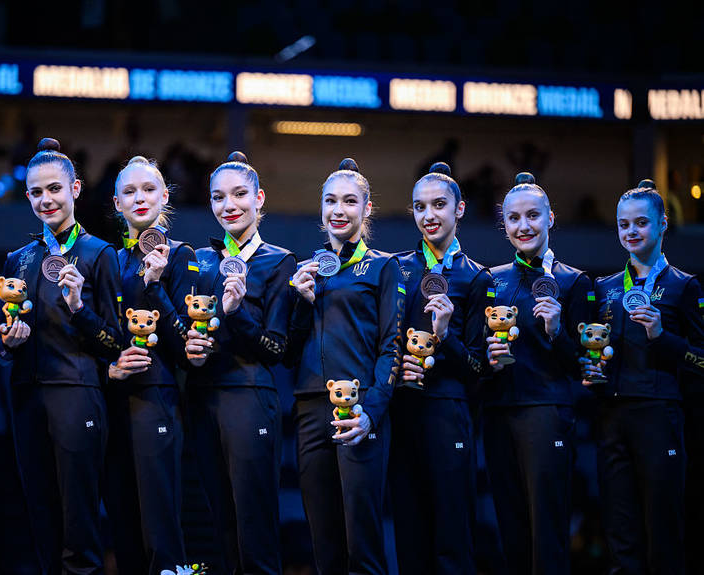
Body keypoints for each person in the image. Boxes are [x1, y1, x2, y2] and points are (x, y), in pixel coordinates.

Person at [0, 138, 123, 574]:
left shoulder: (99, 254)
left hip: (78, 394)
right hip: (27, 398)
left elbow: (115, 343)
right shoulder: (19, 258)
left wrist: (79, 307)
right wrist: (8, 343)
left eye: (54, 189)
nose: (45, 199)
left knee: (78, 524)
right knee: (41, 522)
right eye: (36, 191)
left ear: (76, 189)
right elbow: (2, 342)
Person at [288, 158, 403, 575]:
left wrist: (371, 413)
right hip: (309, 408)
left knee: (362, 541)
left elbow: (393, 347)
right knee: (324, 541)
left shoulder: (384, 266)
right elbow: (290, 347)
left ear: (367, 208)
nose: (339, 210)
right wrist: (298, 302)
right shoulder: (308, 270)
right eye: (330, 201)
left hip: (358, 411)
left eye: (350, 201)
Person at [584, 179, 704, 574]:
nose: (631, 232)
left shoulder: (684, 287)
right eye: (623, 225)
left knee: (663, 535)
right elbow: (593, 352)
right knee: (620, 535)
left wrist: (661, 337)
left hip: (660, 418)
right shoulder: (603, 288)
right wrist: (592, 371)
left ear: (663, 224)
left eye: (640, 223)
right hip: (611, 420)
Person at [184, 151, 296, 574]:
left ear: (259, 198)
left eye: (239, 194)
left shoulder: (279, 261)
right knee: (222, 528)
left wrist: (237, 313)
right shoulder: (200, 260)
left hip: (251, 398)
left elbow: (276, 350)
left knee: (256, 529)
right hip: (202, 399)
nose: (228, 205)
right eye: (218, 197)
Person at [483, 172, 590, 575]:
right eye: (513, 218)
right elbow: (480, 357)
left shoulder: (573, 282)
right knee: (510, 529)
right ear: (505, 225)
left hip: (547, 413)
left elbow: (584, 364)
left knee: (547, 532)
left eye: (532, 216)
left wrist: (557, 331)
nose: (522, 226)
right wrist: (488, 357)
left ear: (550, 219)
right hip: (498, 415)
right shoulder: (491, 280)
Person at [390, 162, 492, 574]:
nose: (429, 215)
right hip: (402, 412)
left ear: (460, 209)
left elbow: (480, 367)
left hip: (450, 413)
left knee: (452, 538)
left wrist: (445, 335)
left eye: (438, 205)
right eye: (419, 207)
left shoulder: (476, 277)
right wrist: (397, 368)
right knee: (409, 536)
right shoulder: (395, 268)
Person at [104, 156, 198, 574]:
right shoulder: (104, 258)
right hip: (107, 402)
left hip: (156, 400)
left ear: (165, 196)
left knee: (160, 528)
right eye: (129, 191)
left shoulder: (181, 256)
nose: (139, 198)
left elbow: (185, 348)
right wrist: (111, 366)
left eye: (148, 190)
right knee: (122, 526)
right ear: (116, 203)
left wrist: (156, 287)